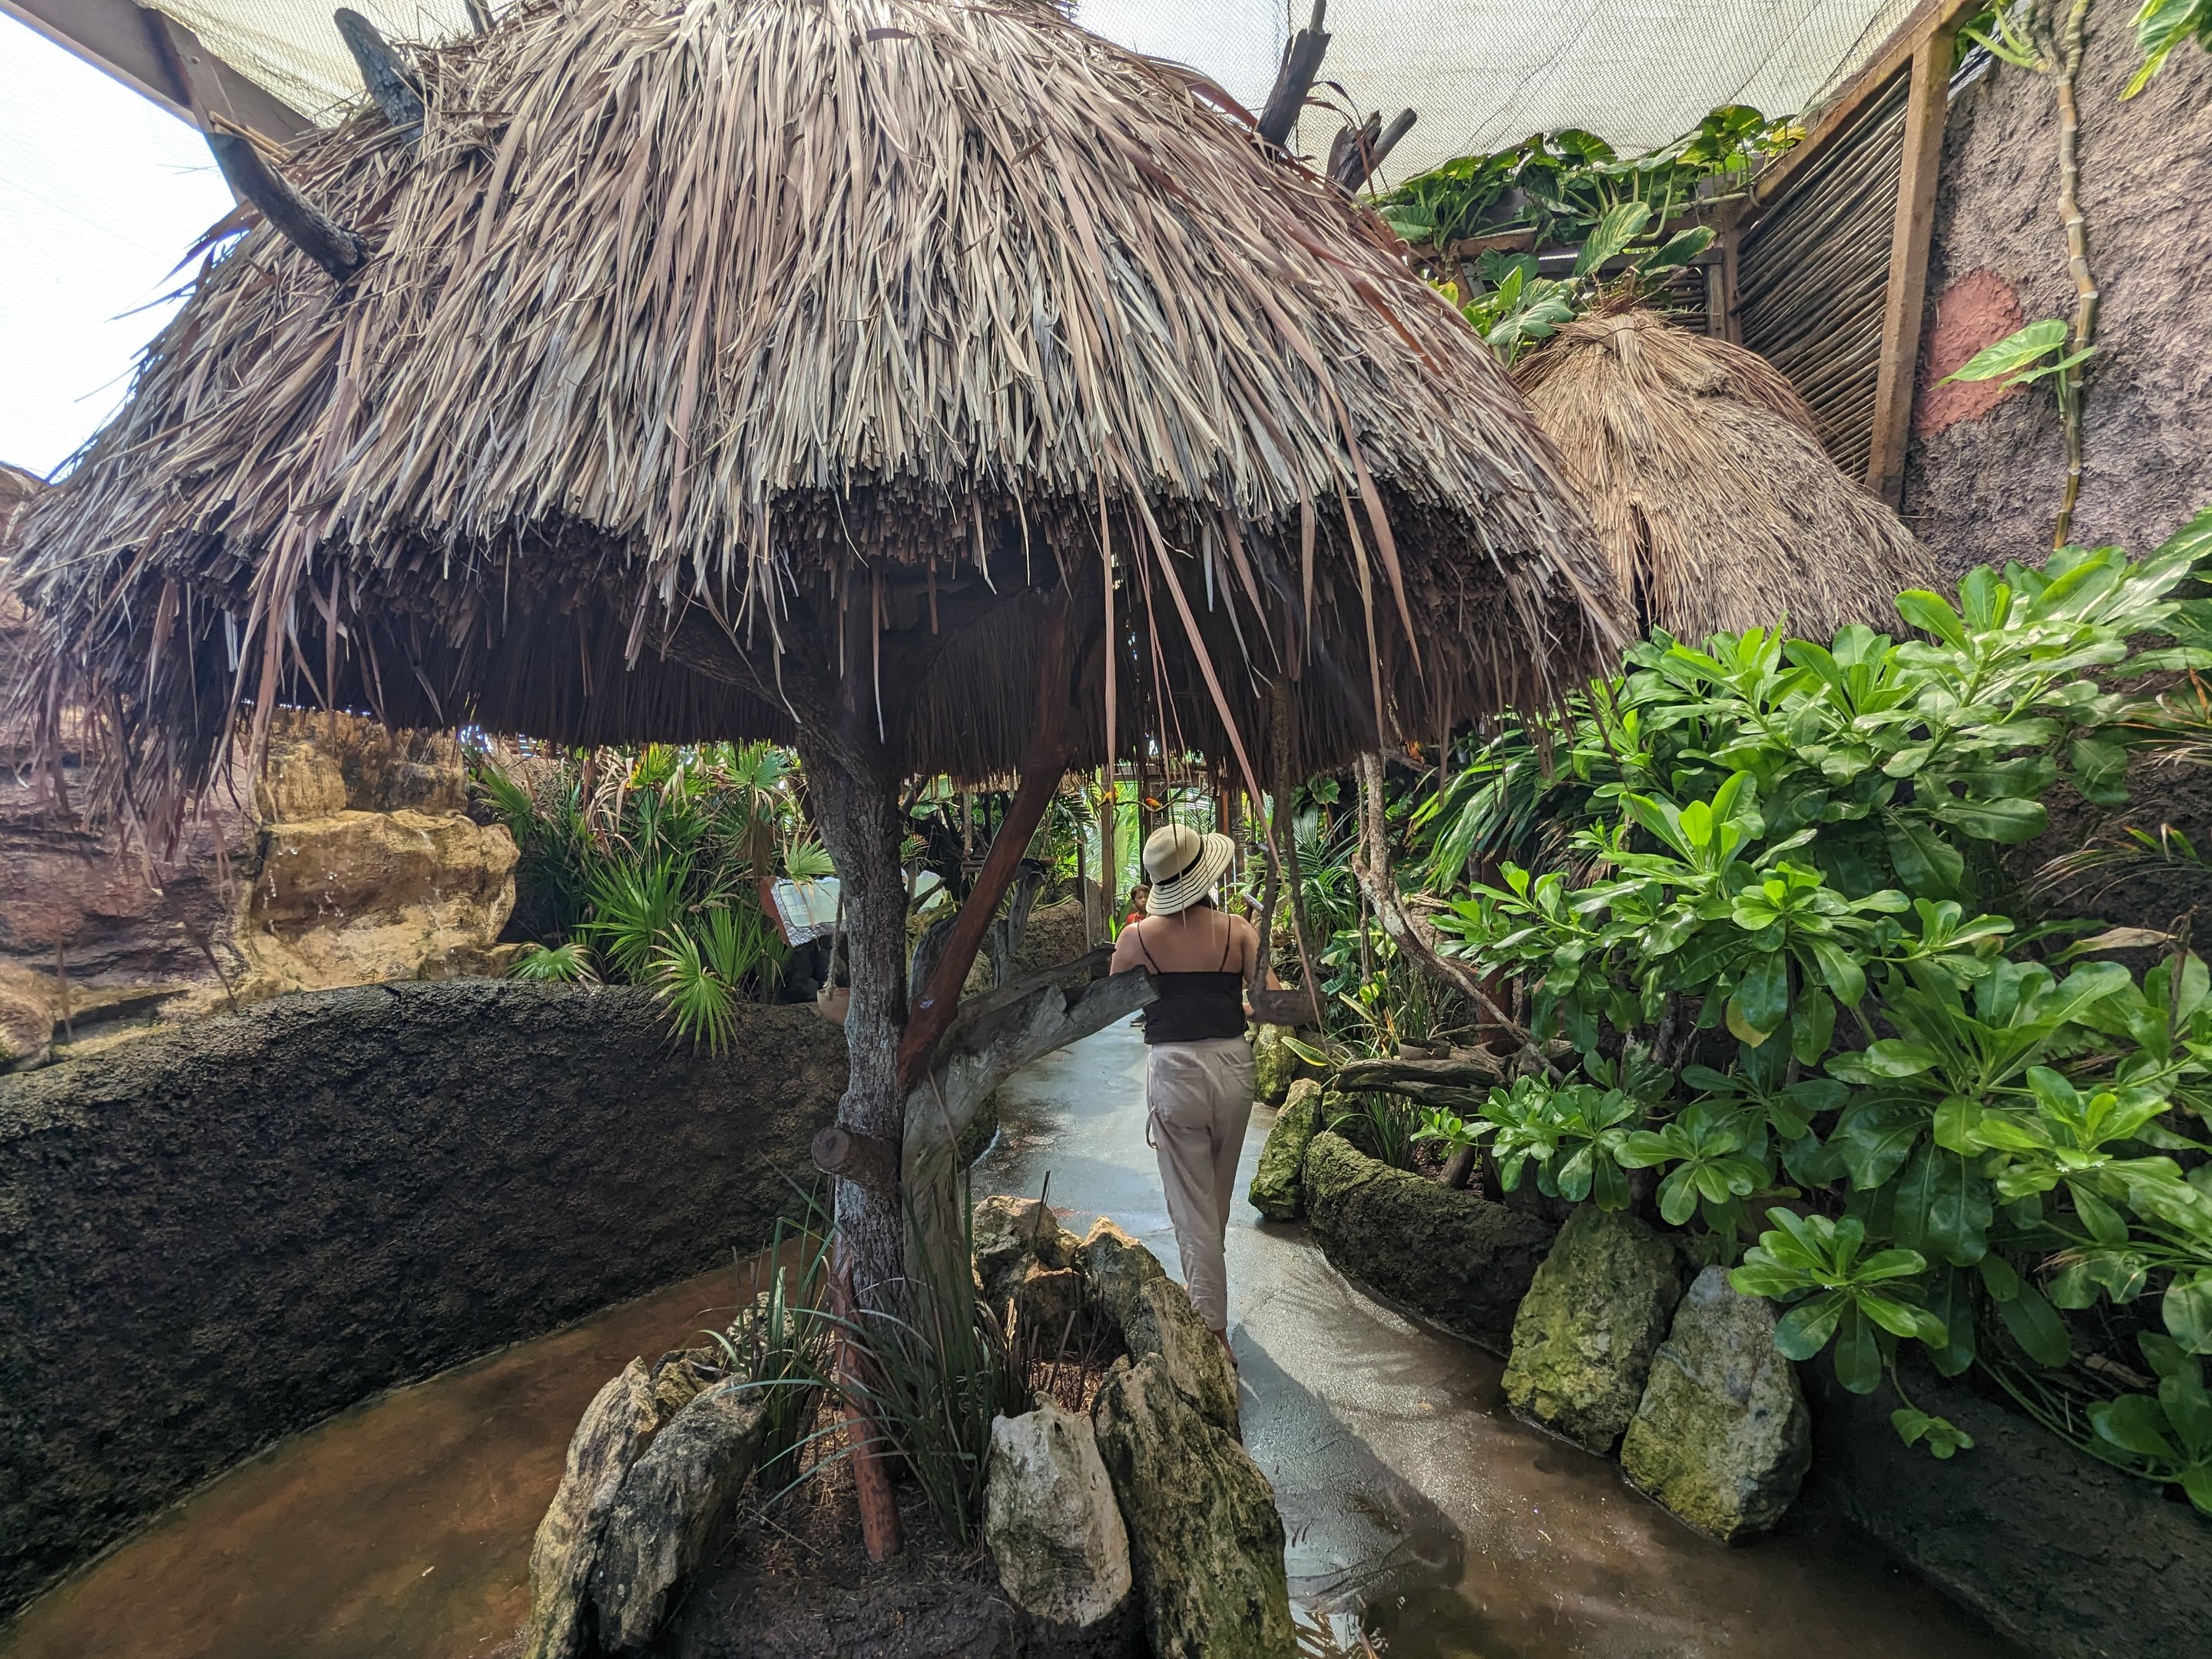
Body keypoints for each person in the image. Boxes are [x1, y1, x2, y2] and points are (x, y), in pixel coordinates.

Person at [1109, 823, 1279, 1359]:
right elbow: (1271, 1003)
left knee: (1192, 1205)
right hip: (1232, 1066)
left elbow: (1113, 1002)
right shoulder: (1240, 932)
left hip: (1176, 1070)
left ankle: (1212, 1328)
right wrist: (1234, 1002)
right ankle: (1206, 1290)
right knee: (1215, 1197)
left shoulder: (1136, 937)